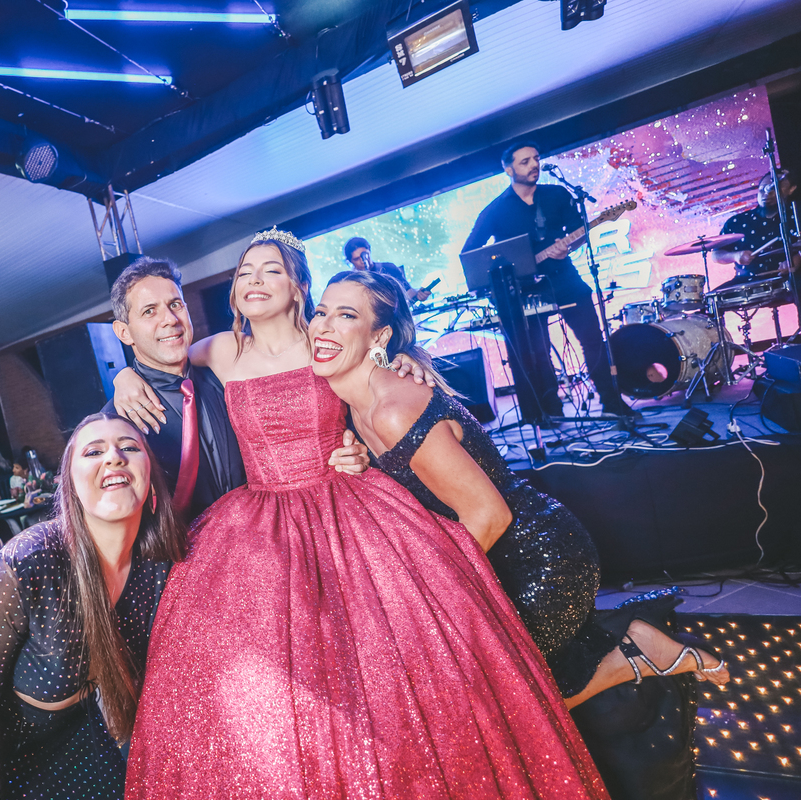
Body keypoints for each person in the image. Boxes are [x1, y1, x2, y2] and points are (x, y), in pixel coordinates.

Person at [122, 228, 607, 798]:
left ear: (299, 287)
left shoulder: (323, 340)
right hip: (258, 524)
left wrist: (403, 358)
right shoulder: (221, 351)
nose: (254, 280)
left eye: (271, 270)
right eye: (245, 271)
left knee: (384, 665)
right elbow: (162, 355)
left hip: (345, 506)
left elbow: (372, 366)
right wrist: (125, 373)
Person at [311, 269, 729, 795]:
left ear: (380, 336)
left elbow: (490, 517)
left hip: (541, 562)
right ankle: (634, 644)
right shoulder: (351, 402)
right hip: (492, 563)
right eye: (321, 311)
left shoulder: (394, 409)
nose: (324, 325)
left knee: (492, 715)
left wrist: (423, 603)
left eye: (346, 314)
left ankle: (630, 658)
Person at [0, 413, 186, 800]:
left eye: (129, 447)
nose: (114, 457)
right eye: (93, 451)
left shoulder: (157, 565)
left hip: (75, 731)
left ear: (151, 477)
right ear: (70, 485)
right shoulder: (29, 563)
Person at [105, 255, 384, 522]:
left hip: (267, 525)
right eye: (149, 311)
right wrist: (123, 375)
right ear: (124, 333)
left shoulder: (224, 372)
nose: (169, 319)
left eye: (175, 304)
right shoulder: (119, 417)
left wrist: (354, 449)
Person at [462, 141, 634, 422]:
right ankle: (550, 411)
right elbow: (471, 254)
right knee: (538, 352)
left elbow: (578, 234)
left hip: (564, 277)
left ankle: (613, 403)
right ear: (508, 170)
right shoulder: (495, 210)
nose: (534, 165)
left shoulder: (557, 195)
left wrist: (568, 246)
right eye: (525, 161)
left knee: (593, 339)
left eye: (536, 158)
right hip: (525, 289)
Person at [713, 169, 797, 289]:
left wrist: (798, 258)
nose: (767, 193)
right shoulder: (738, 221)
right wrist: (735, 256)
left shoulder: (797, 216)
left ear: (791, 189)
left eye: (774, 188)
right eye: (762, 189)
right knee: (712, 297)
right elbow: (716, 254)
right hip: (746, 282)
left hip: (789, 280)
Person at [344, 235, 431, 302]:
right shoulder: (351, 282)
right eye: (356, 259)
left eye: (365, 255)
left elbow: (408, 293)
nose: (363, 260)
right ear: (350, 261)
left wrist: (419, 294)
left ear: (369, 251)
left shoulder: (389, 268)